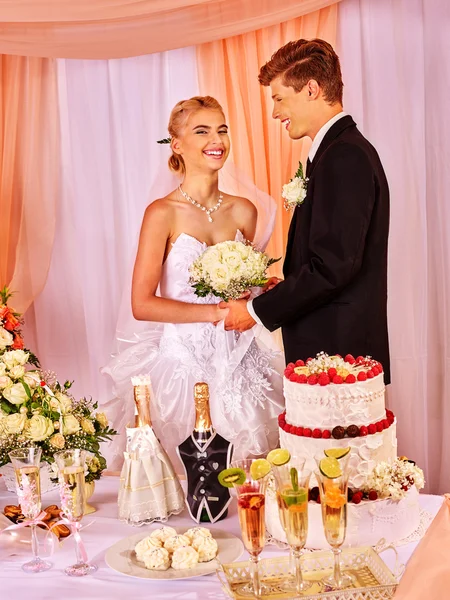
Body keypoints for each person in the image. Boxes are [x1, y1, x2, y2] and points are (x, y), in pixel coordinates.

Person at [103, 96, 284, 470]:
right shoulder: (161, 213)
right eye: (201, 131)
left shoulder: (244, 210)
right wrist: (212, 312)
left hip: (241, 360)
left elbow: (244, 291)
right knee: (190, 477)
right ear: (177, 145)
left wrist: (263, 290)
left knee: (255, 475)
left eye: (221, 129)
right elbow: (143, 304)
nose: (216, 139)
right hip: (183, 367)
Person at [222, 39, 391, 383]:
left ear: (311, 89)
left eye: (280, 98)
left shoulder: (345, 156)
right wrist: (283, 287)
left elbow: (332, 268)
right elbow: (330, 259)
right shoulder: (336, 151)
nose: (275, 113)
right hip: (331, 353)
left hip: (339, 358)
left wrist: (255, 311)